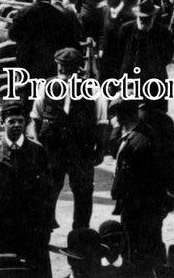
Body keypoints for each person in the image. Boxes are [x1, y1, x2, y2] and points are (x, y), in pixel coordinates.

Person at [31, 48, 107, 233]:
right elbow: (36, 116)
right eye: (62, 67)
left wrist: (100, 149)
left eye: (69, 68)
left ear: (77, 68)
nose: (64, 71)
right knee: (49, 189)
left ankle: (80, 233)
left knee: (83, 192)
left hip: (80, 149)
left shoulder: (92, 88)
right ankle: (45, 227)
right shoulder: (45, 86)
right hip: (53, 148)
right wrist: (38, 144)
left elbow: (101, 120)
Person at [0, 104, 53, 278]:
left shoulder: (37, 151)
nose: (16, 125)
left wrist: (47, 222)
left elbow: (48, 191)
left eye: (20, 121)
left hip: (34, 227)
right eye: (11, 121)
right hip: (5, 230)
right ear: (2, 123)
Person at [107, 99, 168, 277]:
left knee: (140, 250)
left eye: (117, 115)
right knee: (145, 247)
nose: (114, 119)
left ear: (124, 116)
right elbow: (113, 148)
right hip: (138, 205)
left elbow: (147, 181)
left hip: (139, 207)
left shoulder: (141, 142)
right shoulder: (134, 134)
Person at [8, 0, 81, 86]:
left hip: (27, 62)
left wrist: (26, 42)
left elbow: (12, 35)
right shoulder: (60, 16)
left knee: (29, 94)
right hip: (50, 63)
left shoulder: (23, 13)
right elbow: (69, 40)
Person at [115, 0, 174, 111]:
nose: (144, 21)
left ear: (153, 17)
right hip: (130, 82)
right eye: (141, 18)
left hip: (155, 82)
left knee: (156, 115)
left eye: (147, 18)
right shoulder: (126, 30)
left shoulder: (163, 32)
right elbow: (119, 54)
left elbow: (167, 56)